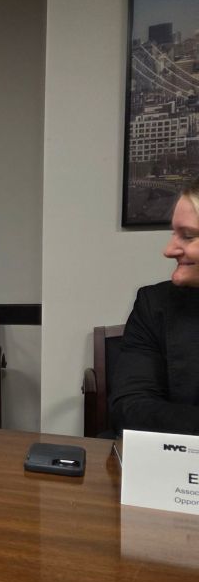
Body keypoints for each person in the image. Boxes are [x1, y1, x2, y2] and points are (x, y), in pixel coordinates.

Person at [110, 179, 199, 434]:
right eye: (173, 233)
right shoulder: (154, 304)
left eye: (188, 236)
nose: (169, 250)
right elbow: (130, 408)